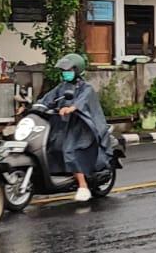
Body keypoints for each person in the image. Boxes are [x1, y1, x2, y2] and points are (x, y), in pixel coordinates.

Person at [35, 53, 113, 201]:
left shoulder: (86, 88)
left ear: (77, 70)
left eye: (69, 70)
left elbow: (82, 101)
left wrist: (72, 108)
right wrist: (34, 106)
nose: (66, 73)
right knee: (50, 147)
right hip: (64, 125)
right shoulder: (62, 86)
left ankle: (83, 186)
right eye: (64, 71)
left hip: (83, 127)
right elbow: (47, 99)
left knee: (70, 150)